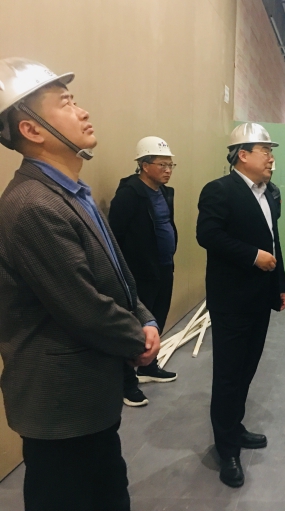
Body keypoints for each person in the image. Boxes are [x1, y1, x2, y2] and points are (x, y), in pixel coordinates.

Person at [0, 57, 159, 511]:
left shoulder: (72, 191)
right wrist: (138, 339)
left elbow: (117, 273)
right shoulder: (32, 205)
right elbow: (83, 305)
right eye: (67, 103)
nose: (83, 111)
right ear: (30, 129)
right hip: (60, 405)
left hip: (90, 398)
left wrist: (145, 317)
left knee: (108, 493)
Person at [196, 122, 285, 488]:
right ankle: (227, 449)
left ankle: (234, 426)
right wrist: (252, 256)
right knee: (228, 375)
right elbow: (208, 235)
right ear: (242, 155)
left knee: (247, 368)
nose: (271, 158)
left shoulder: (270, 193)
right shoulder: (219, 190)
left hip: (260, 297)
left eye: (271, 152)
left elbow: (274, 241)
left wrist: (279, 285)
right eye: (265, 151)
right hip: (231, 300)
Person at [109, 136, 178, 408]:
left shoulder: (165, 193)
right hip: (139, 271)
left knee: (157, 318)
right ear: (144, 164)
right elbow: (115, 237)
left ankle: (149, 367)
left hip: (164, 266)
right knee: (135, 327)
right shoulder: (129, 195)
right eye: (162, 164)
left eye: (171, 165)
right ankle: (127, 383)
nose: (168, 170)